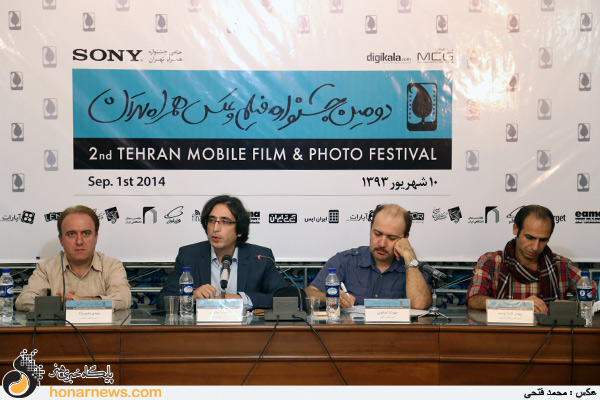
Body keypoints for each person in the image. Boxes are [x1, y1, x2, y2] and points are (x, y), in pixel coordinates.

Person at [157, 195, 286, 310]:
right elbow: (162, 301)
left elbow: (284, 299)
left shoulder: (261, 258)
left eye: (225, 222)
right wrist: (191, 296)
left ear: (239, 231)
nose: (215, 228)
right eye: (211, 220)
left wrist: (241, 299)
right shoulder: (189, 255)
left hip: (245, 328)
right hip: (201, 327)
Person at [466, 204, 596, 314]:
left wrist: (573, 306)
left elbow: (596, 295)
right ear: (515, 229)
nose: (535, 247)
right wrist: (519, 305)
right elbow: (474, 300)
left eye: (543, 240)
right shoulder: (491, 261)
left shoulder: (560, 265)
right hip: (503, 333)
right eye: (530, 237)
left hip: (550, 334)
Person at [305, 204, 432, 309]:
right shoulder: (345, 260)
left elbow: (419, 305)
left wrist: (409, 255)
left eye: (392, 238)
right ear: (370, 229)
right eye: (377, 234)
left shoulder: (415, 268)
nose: (382, 243)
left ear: (405, 239)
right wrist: (330, 297)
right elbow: (309, 295)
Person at [15, 205, 131, 311]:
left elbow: (123, 299)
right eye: (71, 234)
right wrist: (58, 304)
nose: (79, 241)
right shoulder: (46, 268)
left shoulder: (111, 266)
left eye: (86, 233)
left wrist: (80, 301)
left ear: (96, 237)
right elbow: (23, 300)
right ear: (61, 240)